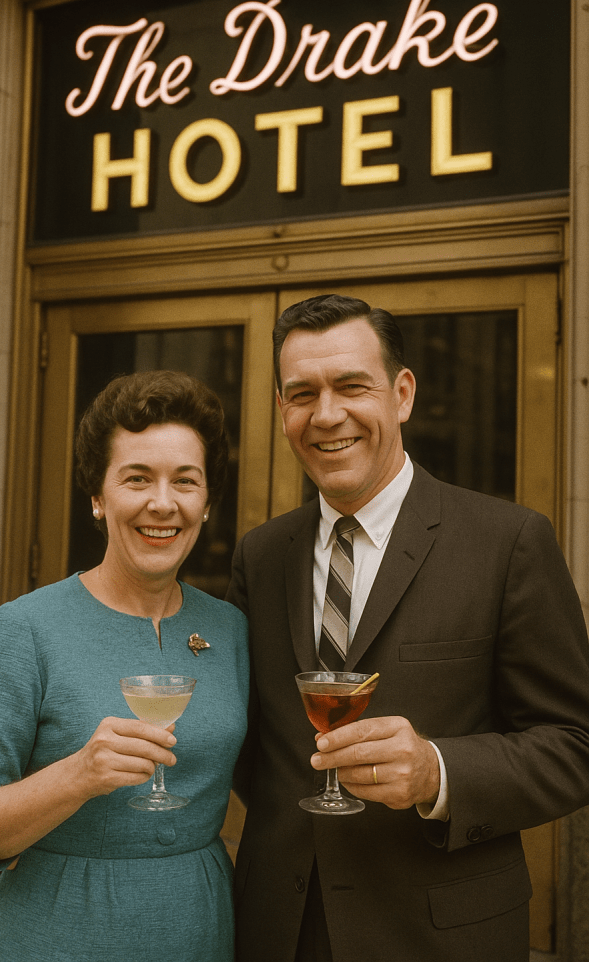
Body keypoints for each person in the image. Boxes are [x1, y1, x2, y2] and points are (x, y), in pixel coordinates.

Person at [227, 294, 589, 962]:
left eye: (351, 386)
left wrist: (436, 771)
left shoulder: (507, 541)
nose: (326, 413)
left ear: (401, 393)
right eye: (301, 393)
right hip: (277, 929)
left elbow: (574, 746)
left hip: (438, 937)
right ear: (282, 411)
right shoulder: (260, 554)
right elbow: (262, 754)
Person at [0, 370, 248, 962]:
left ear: (206, 504)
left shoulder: (230, 629)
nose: (163, 502)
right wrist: (77, 775)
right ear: (98, 498)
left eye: (186, 481)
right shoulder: (26, 629)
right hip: (61, 932)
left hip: (202, 928)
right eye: (137, 479)